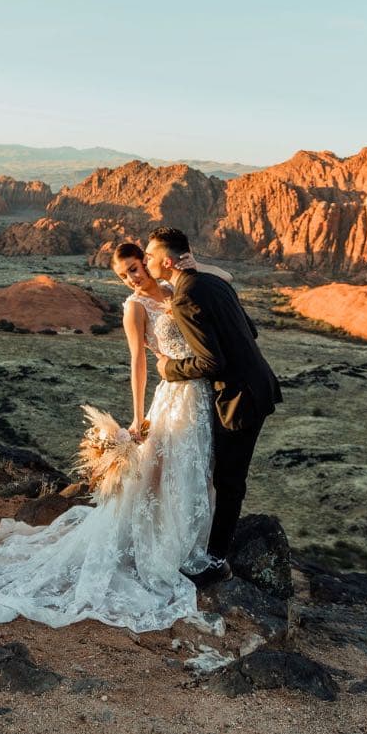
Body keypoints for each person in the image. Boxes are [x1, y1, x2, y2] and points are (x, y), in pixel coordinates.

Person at [0, 242, 216, 633]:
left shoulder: (176, 288)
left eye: (135, 269)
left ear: (146, 262)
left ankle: (183, 545)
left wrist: (197, 265)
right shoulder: (134, 307)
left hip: (200, 393)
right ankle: (155, 552)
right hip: (172, 395)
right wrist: (137, 419)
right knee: (162, 473)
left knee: (190, 471)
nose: (132, 279)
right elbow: (138, 361)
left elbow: (224, 282)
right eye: (123, 275)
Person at [143, 226, 282, 588]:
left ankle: (216, 561)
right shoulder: (213, 283)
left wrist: (168, 368)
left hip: (241, 397)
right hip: (257, 386)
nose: (146, 261)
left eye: (149, 256)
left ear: (168, 261)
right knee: (226, 476)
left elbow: (211, 362)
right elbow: (251, 331)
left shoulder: (184, 298)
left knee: (229, 479)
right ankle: (213, 550)